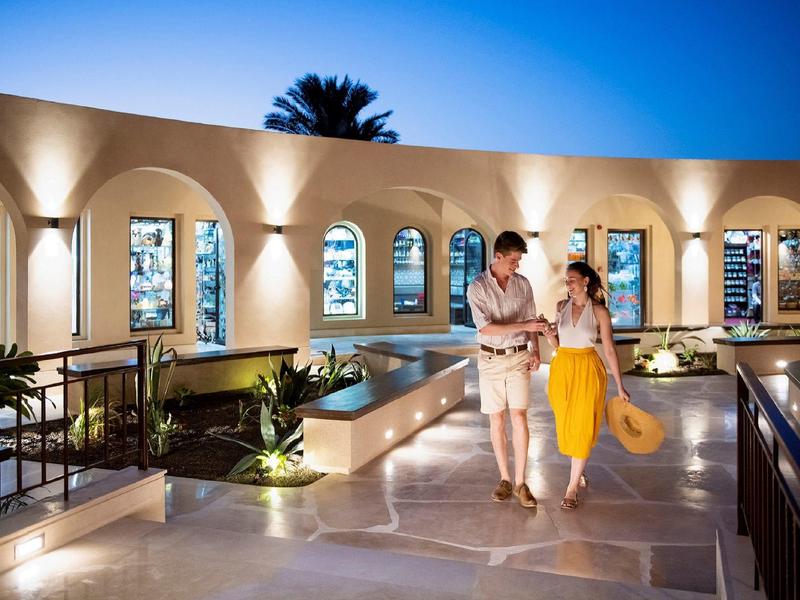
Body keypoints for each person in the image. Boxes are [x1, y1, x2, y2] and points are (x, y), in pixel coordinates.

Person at [466, 231, 548, 509]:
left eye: (519, 260)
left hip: (518, 357)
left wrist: (535, 349)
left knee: (520, 417)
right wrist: (524, 327)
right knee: (497, 419)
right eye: (513, 260)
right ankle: (504, 479)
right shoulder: (477, 287)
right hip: (489, 360)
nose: (517, 265)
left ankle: (521, 483)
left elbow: (532, 321)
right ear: (498, 256)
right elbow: (485, 327)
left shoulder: (523, 285)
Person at [542, 261, 631, 510]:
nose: (568, 284)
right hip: (562, 369)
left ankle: (571, 489)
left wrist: (620, 385)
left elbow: (610, 350)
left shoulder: (599, 312)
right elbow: (558, 345)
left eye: (572, 279)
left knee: (581, 425)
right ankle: (578, 469)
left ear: (585, 281)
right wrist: (549, 334)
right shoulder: (561, 306)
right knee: (567, 423)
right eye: (566, 280)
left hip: (588, 369)